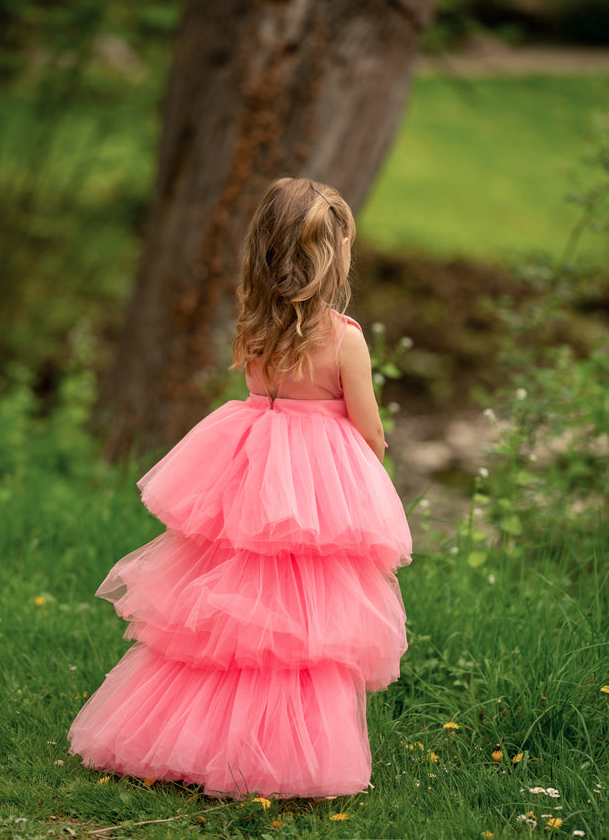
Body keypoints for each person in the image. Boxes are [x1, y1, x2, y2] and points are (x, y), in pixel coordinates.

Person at [68, 177, 412, 799]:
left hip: (250, 467)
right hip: (315, 491)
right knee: (303, 627)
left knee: (225, 624)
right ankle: (280, 755)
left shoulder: (255, 327)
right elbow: (369, 427)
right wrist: (375, 473)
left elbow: (264, 395)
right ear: (332, 258)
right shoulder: (345, 337)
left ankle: (184, 737)